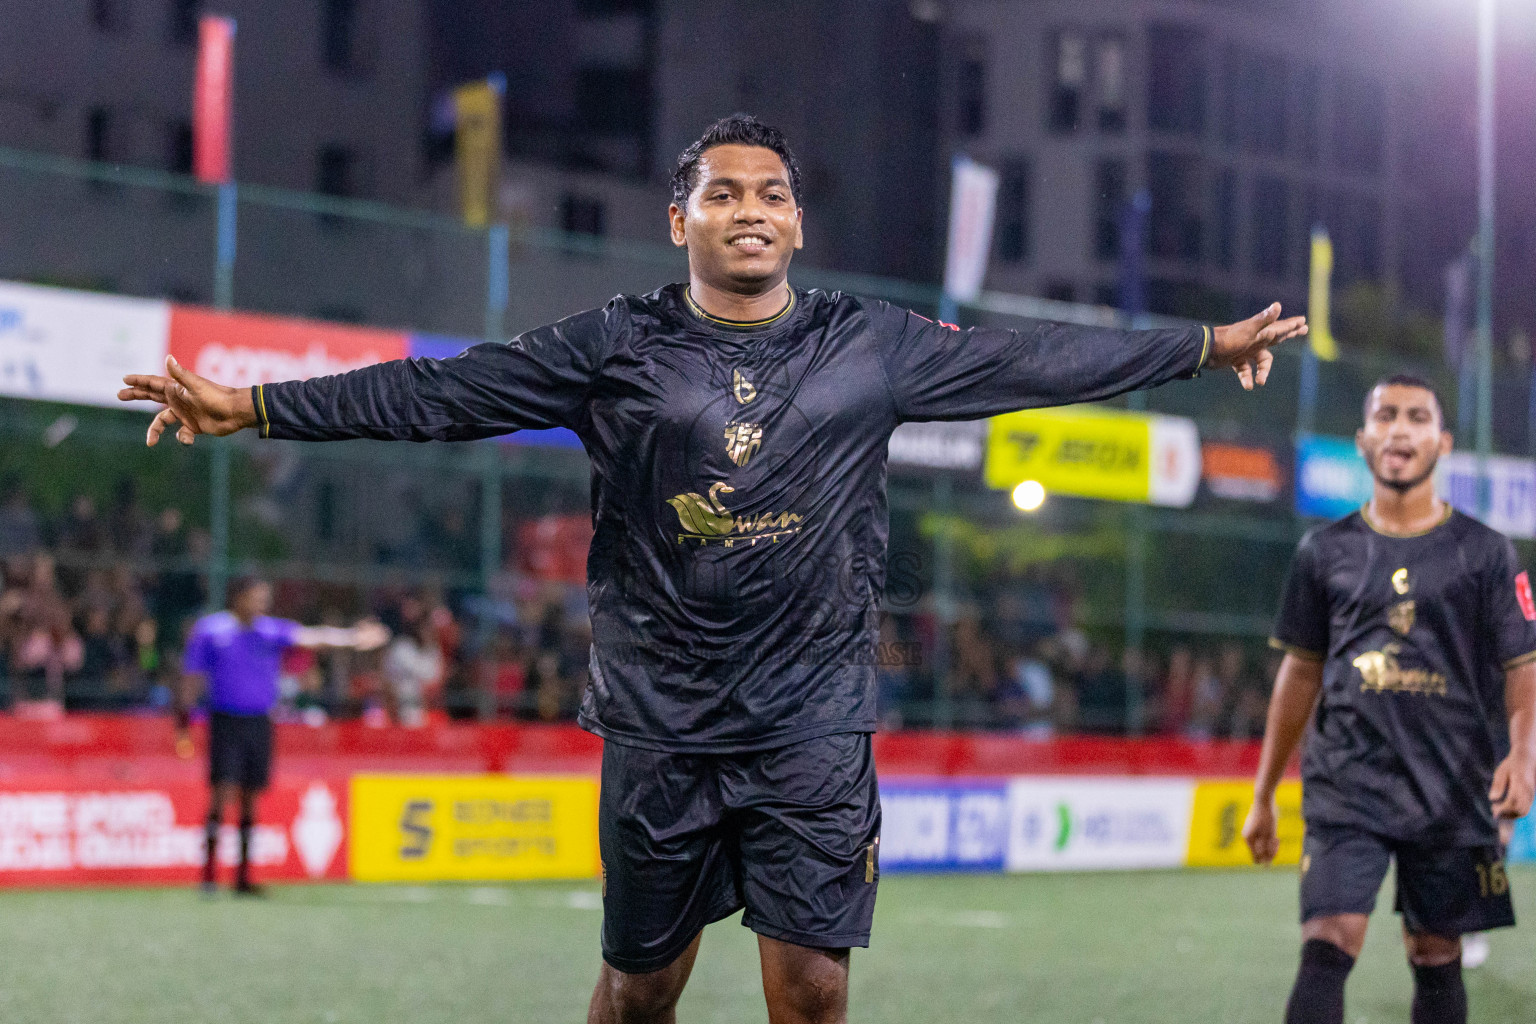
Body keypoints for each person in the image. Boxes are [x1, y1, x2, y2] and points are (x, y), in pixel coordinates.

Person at [122, 114, 1305, 1023]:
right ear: (678, 218)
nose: (751, 209)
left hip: (812, 722)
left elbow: (1037, 357)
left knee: (814, 992)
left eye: (773, 195)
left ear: (798, 226)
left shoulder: (870, 345)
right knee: (642, 995)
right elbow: (439, 391)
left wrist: (1204, 343)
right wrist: (257, 405)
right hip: (663, 722)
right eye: (723, 192)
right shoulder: (613, 347)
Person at [1244, 375, 1536, 1024]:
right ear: (1363, 439)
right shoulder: (1323, 552)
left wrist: (1523, 754)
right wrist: (1263, 794)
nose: (1399, 429)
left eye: (1416, 417)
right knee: (1330, 938)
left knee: (1435, 952)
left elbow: (1522, 664)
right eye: (1385, 415)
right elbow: (1299, 675)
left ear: (1443, 442)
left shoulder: (1487, 554)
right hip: (1348, 780)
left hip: (1452, 784)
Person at [179, 578, 387, 895]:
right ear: (238, 597)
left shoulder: (270, 631)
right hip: (225, 721)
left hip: (259, 722)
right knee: (222, 794)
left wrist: (354, 638)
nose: (261, 605)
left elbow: (314, 637)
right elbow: (191, 676)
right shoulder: (211, 630)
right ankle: (208, 877)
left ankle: (243, 879)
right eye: (255, 597)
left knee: (250, 797)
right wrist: (183, 714)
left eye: (265, 599)